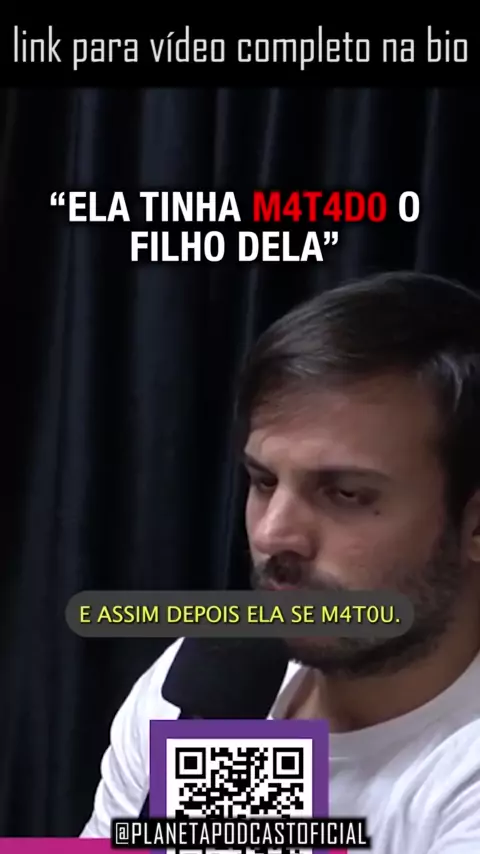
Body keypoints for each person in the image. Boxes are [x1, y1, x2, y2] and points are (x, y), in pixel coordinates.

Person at [81, 271, 480, 851]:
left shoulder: (462, 776)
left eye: (345, 493)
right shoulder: (212, 684)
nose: (271, 535)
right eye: (264, 481)